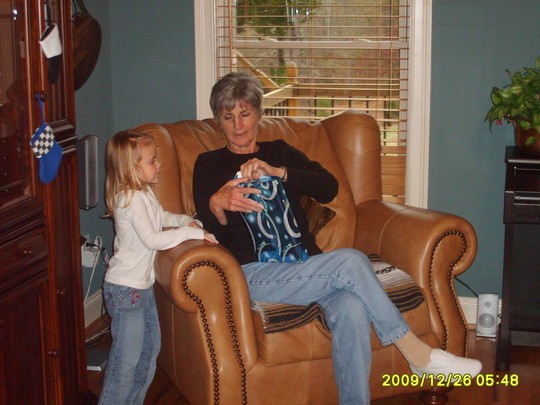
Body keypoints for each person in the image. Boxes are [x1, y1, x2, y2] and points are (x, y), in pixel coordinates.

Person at [192, 72, 482, 405]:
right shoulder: (209, 165)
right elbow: (208, 231)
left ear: (258, 114)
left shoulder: (279, 152)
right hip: (253, 273)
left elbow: (329, 187)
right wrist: (216, 204)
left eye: (244, 114)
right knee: (351, 261)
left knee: (352, 306)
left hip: (307, 265)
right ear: (218, 122)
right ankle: (417, 354)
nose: (238, 125)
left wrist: (278, 172)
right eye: (228, 117)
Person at [99, 130, 218, 405]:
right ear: (132, 168)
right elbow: (152, 239)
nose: (159, 164)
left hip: (141, 289)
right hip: (125, 291)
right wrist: (192, 234)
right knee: (125, 363)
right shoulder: (130, 199)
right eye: (152, 160)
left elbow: (162, 217)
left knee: (150, 350)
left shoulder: (144, 194)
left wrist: (186, 221)